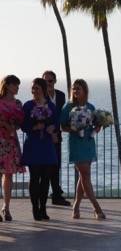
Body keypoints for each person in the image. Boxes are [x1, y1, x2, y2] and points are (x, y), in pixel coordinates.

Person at [60, 79, 105, 220]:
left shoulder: (91, 107)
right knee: (85, 175)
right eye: (74, 89)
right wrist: (73, 128)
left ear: (85, 90)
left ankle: (76, 207)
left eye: (78, 88)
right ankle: (96, 207)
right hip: (76, 143)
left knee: (83, 177)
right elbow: (62, 126)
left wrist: (98, 127)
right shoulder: (68, 107)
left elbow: (95, 125)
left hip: (88, 143)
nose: (75, 91)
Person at [21, 78, 58, 221]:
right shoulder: (28, 106)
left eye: (36, 88)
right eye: (32, 88)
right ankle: (35, 208)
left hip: (47, 145)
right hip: (33, 144)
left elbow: (56, 121)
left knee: (46, 178)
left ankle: (43, 207)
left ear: (42, 89)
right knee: (34, 177)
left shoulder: (51, 106)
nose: (34, 91)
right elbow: (24, 126)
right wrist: (35, 127)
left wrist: (52, 128)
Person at [42, 70, 71, 206]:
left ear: (54, 81)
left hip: (57, 135)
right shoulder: (40, 96)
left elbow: (62, 114)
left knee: (56, 165)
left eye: (50, 80)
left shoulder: (60, 95)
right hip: (44, 136)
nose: (48, 83)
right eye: (45, 81)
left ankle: (56, 195)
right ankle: (45, 195)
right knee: (46, 167)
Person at [0, 75, 25, 222]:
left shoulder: (18, 103)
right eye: (15, 85)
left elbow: (19, 123)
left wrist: (11, 126)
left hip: (10, 141)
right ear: (8, 85)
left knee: (8, 175)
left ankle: (6, 207)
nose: (17, 88)